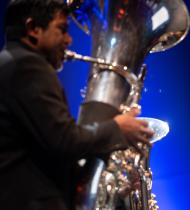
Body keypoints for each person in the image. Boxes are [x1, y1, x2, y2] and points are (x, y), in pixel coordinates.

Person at [0, 0, 154, 210]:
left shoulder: (11, 63)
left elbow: (48, 154)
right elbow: (65, 141)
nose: (69, 40)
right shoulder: (27, 66)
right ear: (33, 29)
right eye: (62, 30)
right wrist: (118, 127)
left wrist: (116, 194)